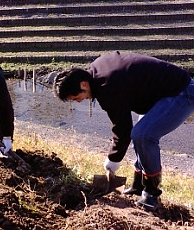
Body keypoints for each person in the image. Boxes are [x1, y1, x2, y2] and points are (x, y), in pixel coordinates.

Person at [53, 51, 194, 211]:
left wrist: (112, 162)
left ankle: (152, 193)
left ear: (83, 84)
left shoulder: (107, 86)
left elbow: (122, 129)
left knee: (143, 135)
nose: (79, 101)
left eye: (76, 97)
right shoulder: (97, 70)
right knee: (139, 136)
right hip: (160, 94)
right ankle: (138, 185)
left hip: (181, 92)